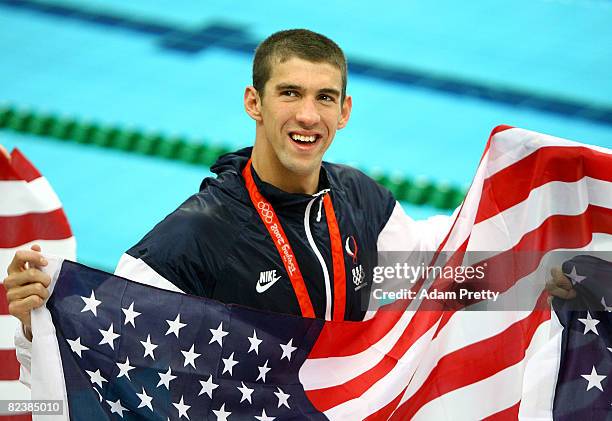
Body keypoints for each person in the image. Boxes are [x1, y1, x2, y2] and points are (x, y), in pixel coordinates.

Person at [4, 29, 573, 381]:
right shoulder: (190, 241)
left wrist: (535, 276)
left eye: (324, 97)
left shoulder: (359, 200)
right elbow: (109, 363)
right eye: (290, 94)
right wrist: (35, 325)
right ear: (254, 102)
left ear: (345, 111)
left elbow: (431, 276)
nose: (308, 116)